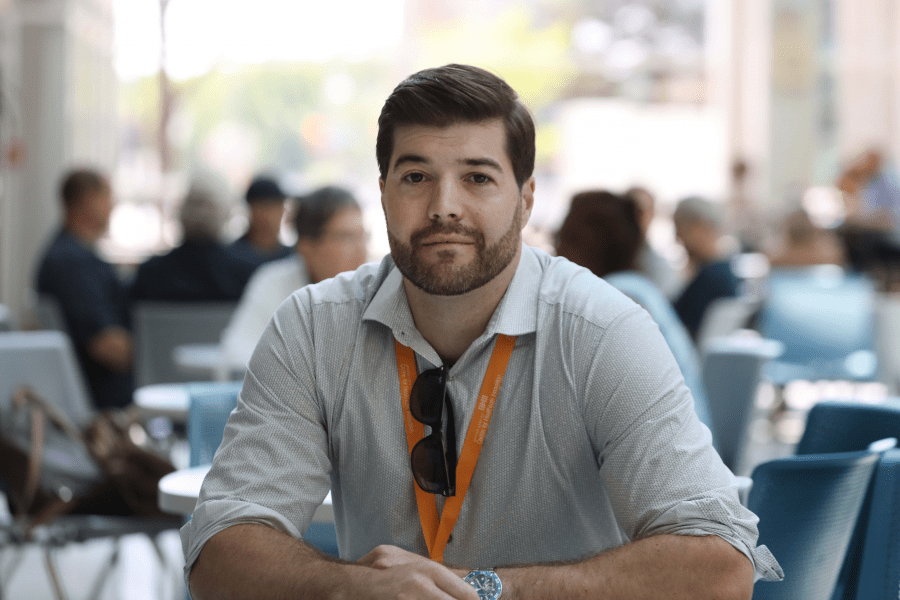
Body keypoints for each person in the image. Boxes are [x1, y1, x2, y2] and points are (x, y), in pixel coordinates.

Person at [183, 64, 781, 600]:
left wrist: (487, 591)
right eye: (416, 177)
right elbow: (218, 550)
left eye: (477, 178)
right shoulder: (313, 327)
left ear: (525, 201)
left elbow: (721, 564)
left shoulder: (602, 329)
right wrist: (357, 589)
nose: (445, 206)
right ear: (384, 197)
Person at [555, 190, 712, 430]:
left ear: (582, 241)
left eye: (564, 235)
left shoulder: (616, 298)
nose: (556, 247)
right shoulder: (638, 288)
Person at [220, 186, 368, 368]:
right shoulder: (274, 281)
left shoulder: (378, 288)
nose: (361, 249)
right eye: (345, 237)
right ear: (307, 248)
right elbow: (235, 353)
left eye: (363, 237)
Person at [35, 168, 134, 409]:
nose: (112, 207)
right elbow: (106, 346)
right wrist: (161, 355)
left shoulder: (69, 255)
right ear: (90, 201)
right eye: (108, 198)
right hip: (102, 399)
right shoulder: (71, 265)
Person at [130, 178, 256, 302]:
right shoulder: (244, 275)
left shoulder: (150, 274)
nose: (201, 212)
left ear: (182, 210)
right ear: (224, 212)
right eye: (197, 204)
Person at [672, 196, 741, 340]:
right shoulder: (723, 271)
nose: (676, 237)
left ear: (698, 227)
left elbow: (672, 324)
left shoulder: (711, 278)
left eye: (678, 228)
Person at [625, 185, 682, 299]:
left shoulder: (659, 266)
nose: (634, 217)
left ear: (651, 214)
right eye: (629, 210)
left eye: (640, 211)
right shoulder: (603, 257)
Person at [228, 175, 293, 268]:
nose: (268, 216)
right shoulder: (231, 257)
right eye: (263, 207)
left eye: (275, 207)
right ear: (250, 209)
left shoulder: (292, 257)